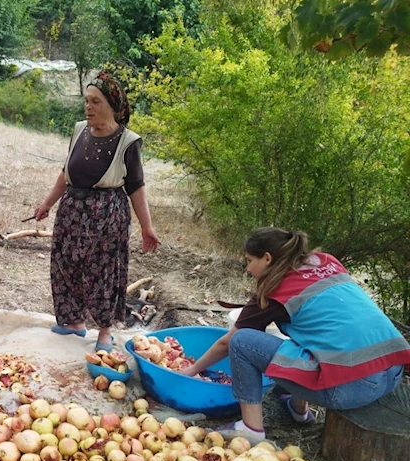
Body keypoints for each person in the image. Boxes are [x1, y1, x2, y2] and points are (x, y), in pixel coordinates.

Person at [181, 227, 410, 442]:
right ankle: (298, 410)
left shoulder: (274, 288)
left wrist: (191, 370)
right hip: (392, 372)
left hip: (352, 387)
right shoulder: (326, 261)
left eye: (250, 261)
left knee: (242, 342)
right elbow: (323, 329)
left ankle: (251, 429)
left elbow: (227, 342)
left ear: (267, 258)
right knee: (310, 334)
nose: (248, 269)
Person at [34, 71, 160, 352]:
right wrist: (47, 204)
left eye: (96, 102)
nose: (88, 107)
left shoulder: (128, 142)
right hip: (72, 211)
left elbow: (136, 187)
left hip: (107, 217)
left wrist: (147, 227)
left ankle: (104, 331)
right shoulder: (79, 130)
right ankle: (73, 322)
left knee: (105, 273)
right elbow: (66, 173)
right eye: (86, 101)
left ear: (112, 106)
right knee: (65, 266)